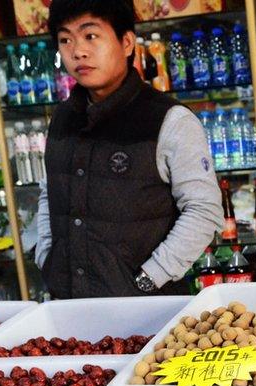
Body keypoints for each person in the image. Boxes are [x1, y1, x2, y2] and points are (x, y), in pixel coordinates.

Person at [36, 0, 222, 298]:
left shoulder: (169, 120)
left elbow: (204, 211)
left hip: (148, 315)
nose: (78, 51)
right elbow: (50, 192)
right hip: (68, 307)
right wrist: (47, 259)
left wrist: (149, 279)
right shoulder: (62, 117)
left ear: (126, 43)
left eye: (91, 36)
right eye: (65, 39)